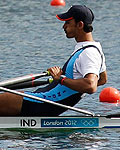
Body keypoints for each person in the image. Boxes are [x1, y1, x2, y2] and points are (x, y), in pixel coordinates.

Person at [0, 5, 107, 116]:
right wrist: (73, 87)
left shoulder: (89, 53)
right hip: (44, 97)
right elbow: (103, 79)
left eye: (68, 23)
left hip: (44, 103)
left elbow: (90, 86)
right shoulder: (94, 49)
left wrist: (61, 80)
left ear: (80, 25)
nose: (64, 26)